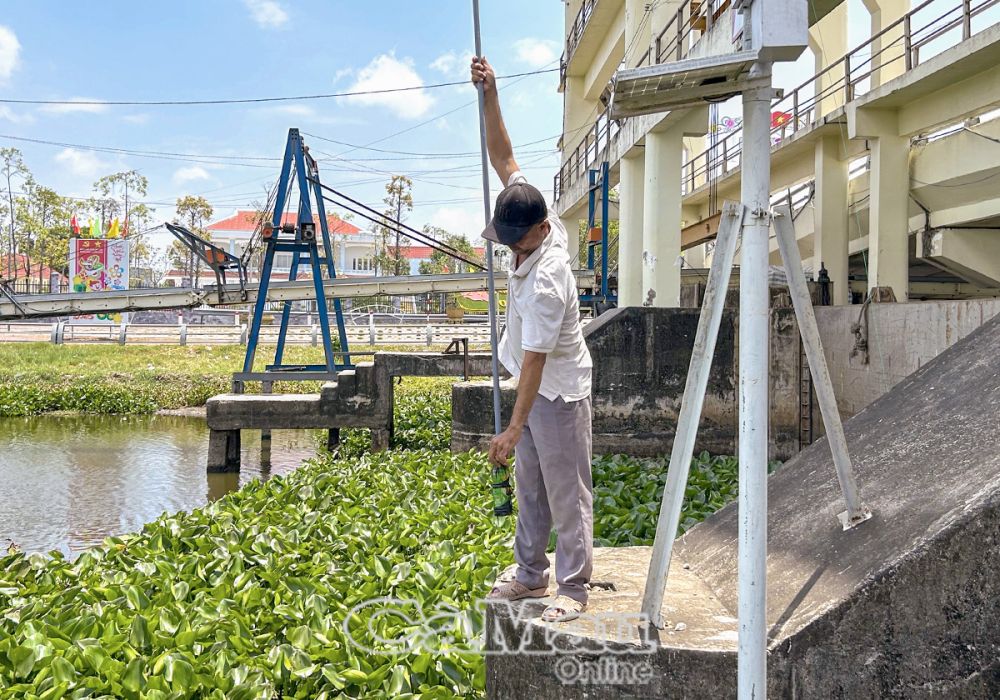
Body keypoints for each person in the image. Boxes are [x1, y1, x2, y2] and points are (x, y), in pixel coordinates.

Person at [472, 55, 595, 623]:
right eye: (507, 243)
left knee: (566, 491)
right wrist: (490, 93)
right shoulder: (527, 206)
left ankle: (572, 587)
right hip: (531, 386)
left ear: (542, 232)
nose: (512, 251)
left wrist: (514, 426)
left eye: (517, 244)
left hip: (556, 393)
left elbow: (537, 366)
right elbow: (503, 156)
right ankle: (530, 574)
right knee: (530, 486)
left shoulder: (549, 277)